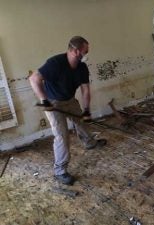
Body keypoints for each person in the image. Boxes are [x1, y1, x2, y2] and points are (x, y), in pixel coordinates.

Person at [29, 36, 107, 185]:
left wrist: (86, 110)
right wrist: (44, 100)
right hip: (53, 103)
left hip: (70, 100)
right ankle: (60, 171)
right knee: (62, 136)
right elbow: (34, 79)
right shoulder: (55, 63)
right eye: (86, 51)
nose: (87, 53)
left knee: (81, 122)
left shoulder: (82, 68)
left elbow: (85, 91)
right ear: (76, 51)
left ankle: (90, 142)